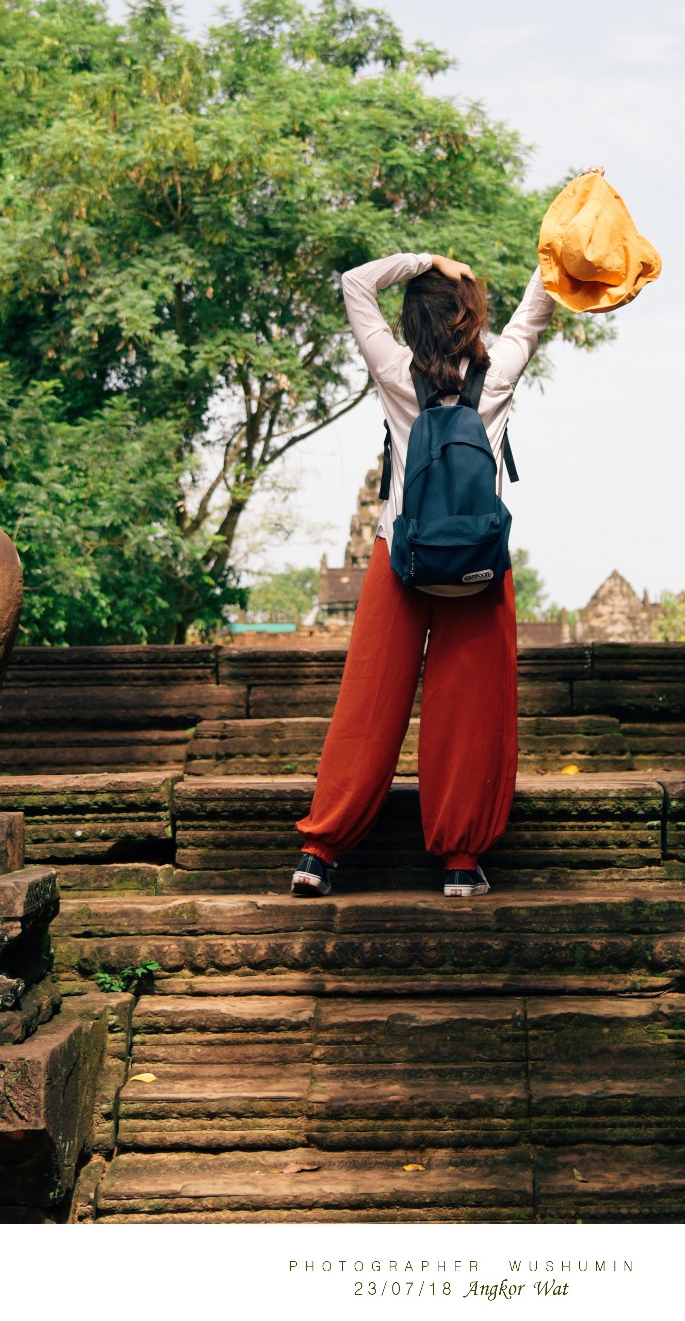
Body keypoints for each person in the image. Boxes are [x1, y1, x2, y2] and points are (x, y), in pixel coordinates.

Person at [290, 248, 554, 899]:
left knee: (368, 702)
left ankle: (319, 851)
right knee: (468, 712)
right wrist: (578, 207)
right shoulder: (498, 371)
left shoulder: (393, 369)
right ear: (471, 319)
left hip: (398, 551)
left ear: (412, 321)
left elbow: (354, 283)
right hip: (479, 565)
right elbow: (541, 299)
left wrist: (422, 260)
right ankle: (460, 862)